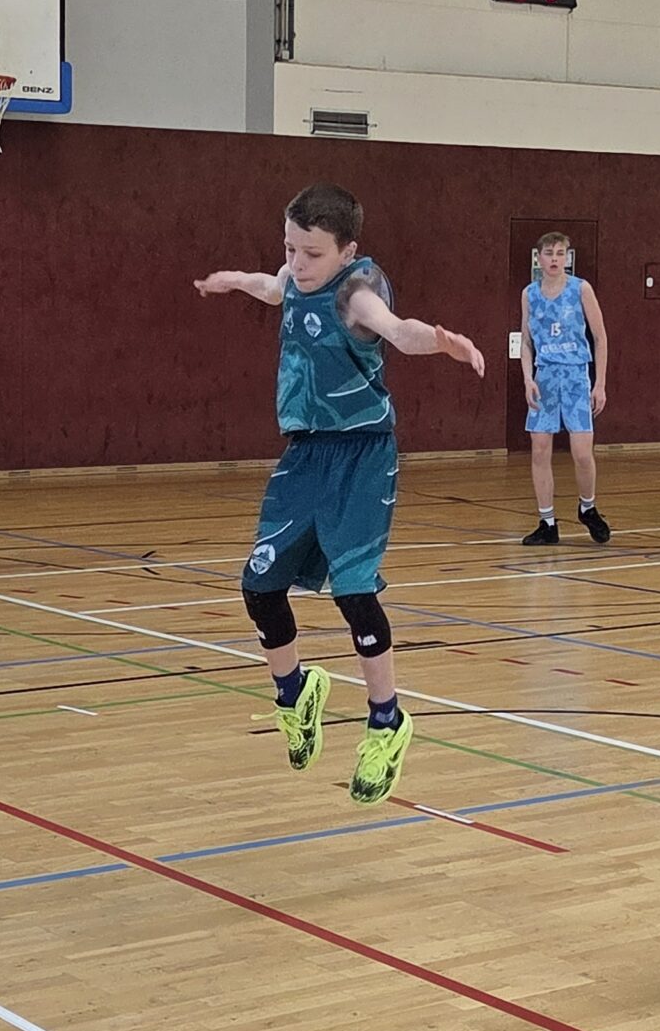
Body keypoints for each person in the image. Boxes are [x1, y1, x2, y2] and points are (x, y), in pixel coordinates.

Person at [194, 182, 485, 805]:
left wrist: (442, 343)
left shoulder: (357, 294)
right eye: (290, 249)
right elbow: (273, 287)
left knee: (353, 591)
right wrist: (235, 280)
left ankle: (386, 721)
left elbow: (398, 330)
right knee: (259, 586)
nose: (298, 264)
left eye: (312, 254)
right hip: (305, 454)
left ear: (348, 251)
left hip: (361, 455)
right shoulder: (294, 276)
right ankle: (296, 693)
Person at [517, 232, 611, 545]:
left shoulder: (581, 289)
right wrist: (528, 378)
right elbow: (526, 341)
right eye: (549, 253)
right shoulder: (529, 294)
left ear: (567, 257)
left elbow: (600, 337)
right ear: (539, 257)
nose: (555, 259)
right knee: (540, 448)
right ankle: (547, 523)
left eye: (560, 253)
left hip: (575, 377)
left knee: (582, 452)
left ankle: (588, 507)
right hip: (544, 377)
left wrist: (599, 383)